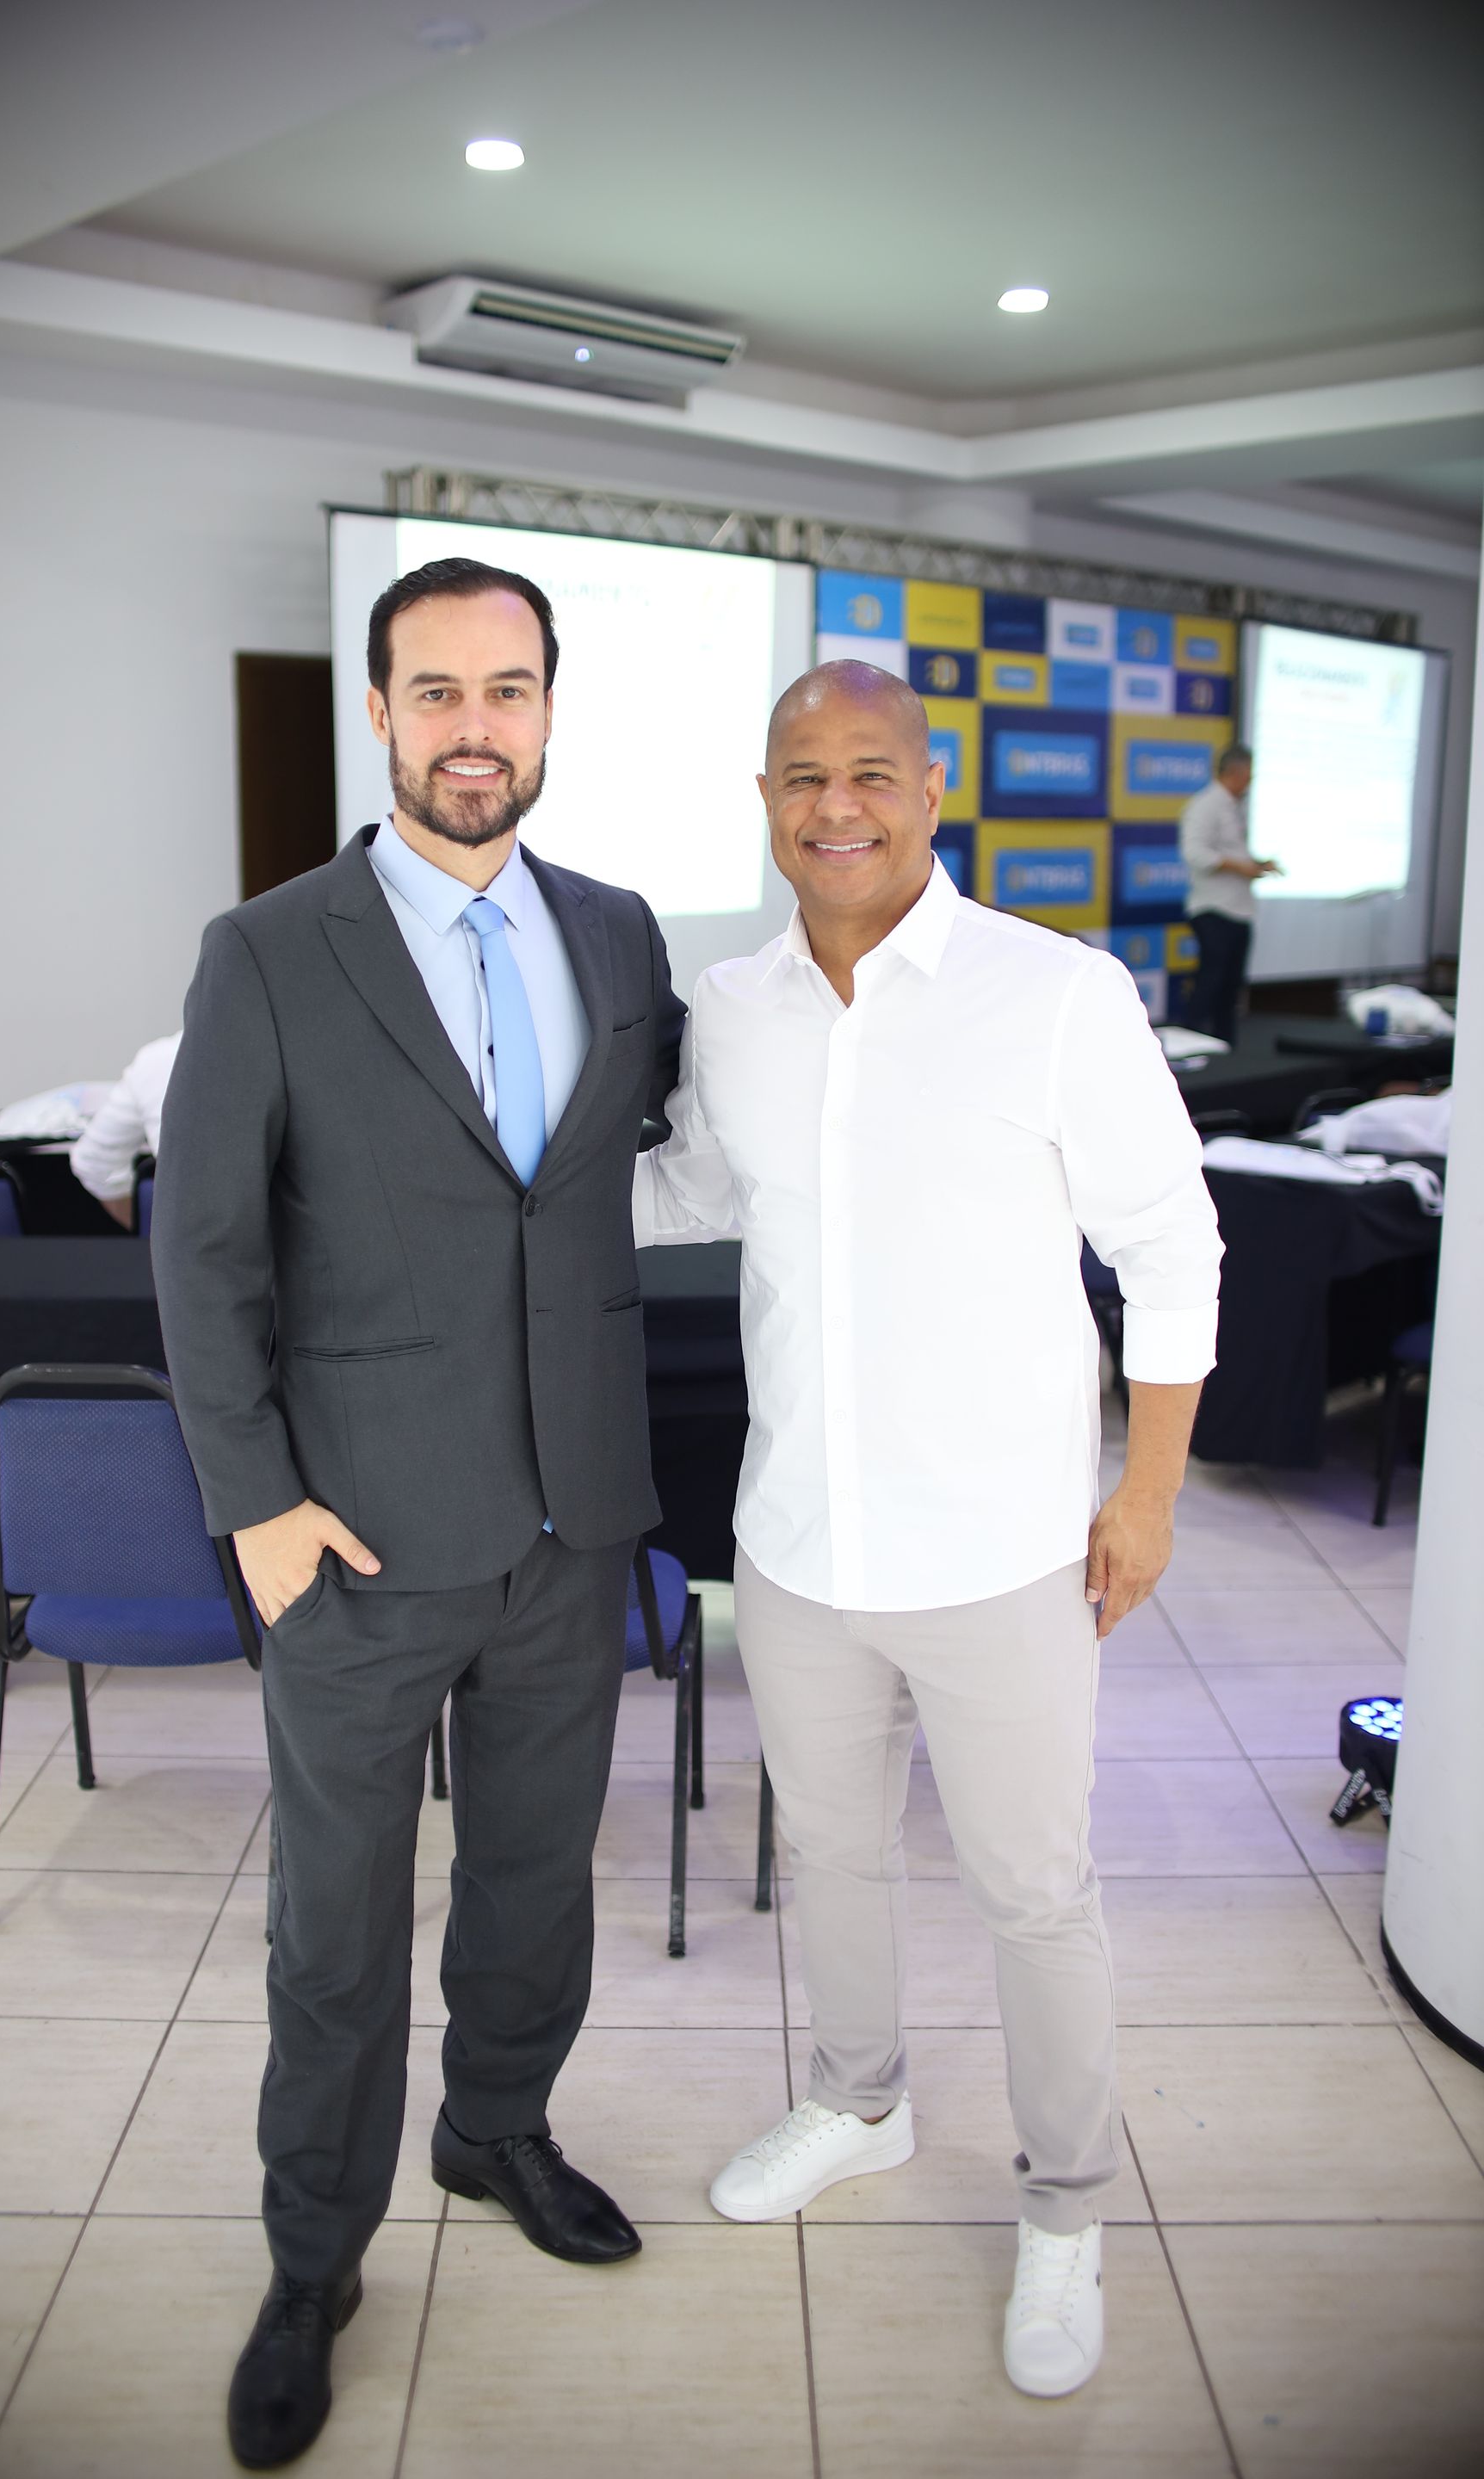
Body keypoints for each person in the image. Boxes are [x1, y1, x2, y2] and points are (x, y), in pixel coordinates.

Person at [635, 662, 1221, 2401]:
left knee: (1036, 1895)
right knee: (829, 1858)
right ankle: (858, 2101)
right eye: (803, 775)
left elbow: (1172, 1245)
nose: (839, 805)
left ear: (933, 787)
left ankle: (1064, 2213)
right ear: (763, 796)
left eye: (871, 771)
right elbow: (692, 1192)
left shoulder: (1052, 992)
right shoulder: (729, 1006)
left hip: (1010, 1551)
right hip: (802, 1543)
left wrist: (1153, 1493)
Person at [153, 556, 684, 2470]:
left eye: (512, 689)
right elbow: (200, 1255)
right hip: (357, 1542)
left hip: (571, 1528)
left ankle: (499, 2132)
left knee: (540, 1882)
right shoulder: (269, 950)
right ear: (380, 713)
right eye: (438, 691)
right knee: (337, 1930)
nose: (478, 727)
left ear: (552, 709)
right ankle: (314, 2261)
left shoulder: (622, 940)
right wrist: (261, 1512)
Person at [1178, 743, 1281, 1044]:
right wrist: (1240, 867)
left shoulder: (1234, 806)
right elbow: (1195, 853)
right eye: (1250, 774)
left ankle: (1226, 1050)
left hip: (1238, 909)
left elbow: (1230, 852)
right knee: (1209, 985)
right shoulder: (1205, 805)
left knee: (1230, 990)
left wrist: (1256, 864)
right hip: (1214, 910)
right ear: (1236, 772)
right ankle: (1191, 1046)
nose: (1251, 781)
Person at [67, 1032, 179, 1226]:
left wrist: (153, 1237)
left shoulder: (159, 1059)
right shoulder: (159, 1059)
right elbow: (94, 1163)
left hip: (189, 1244)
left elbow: (94, 1164)